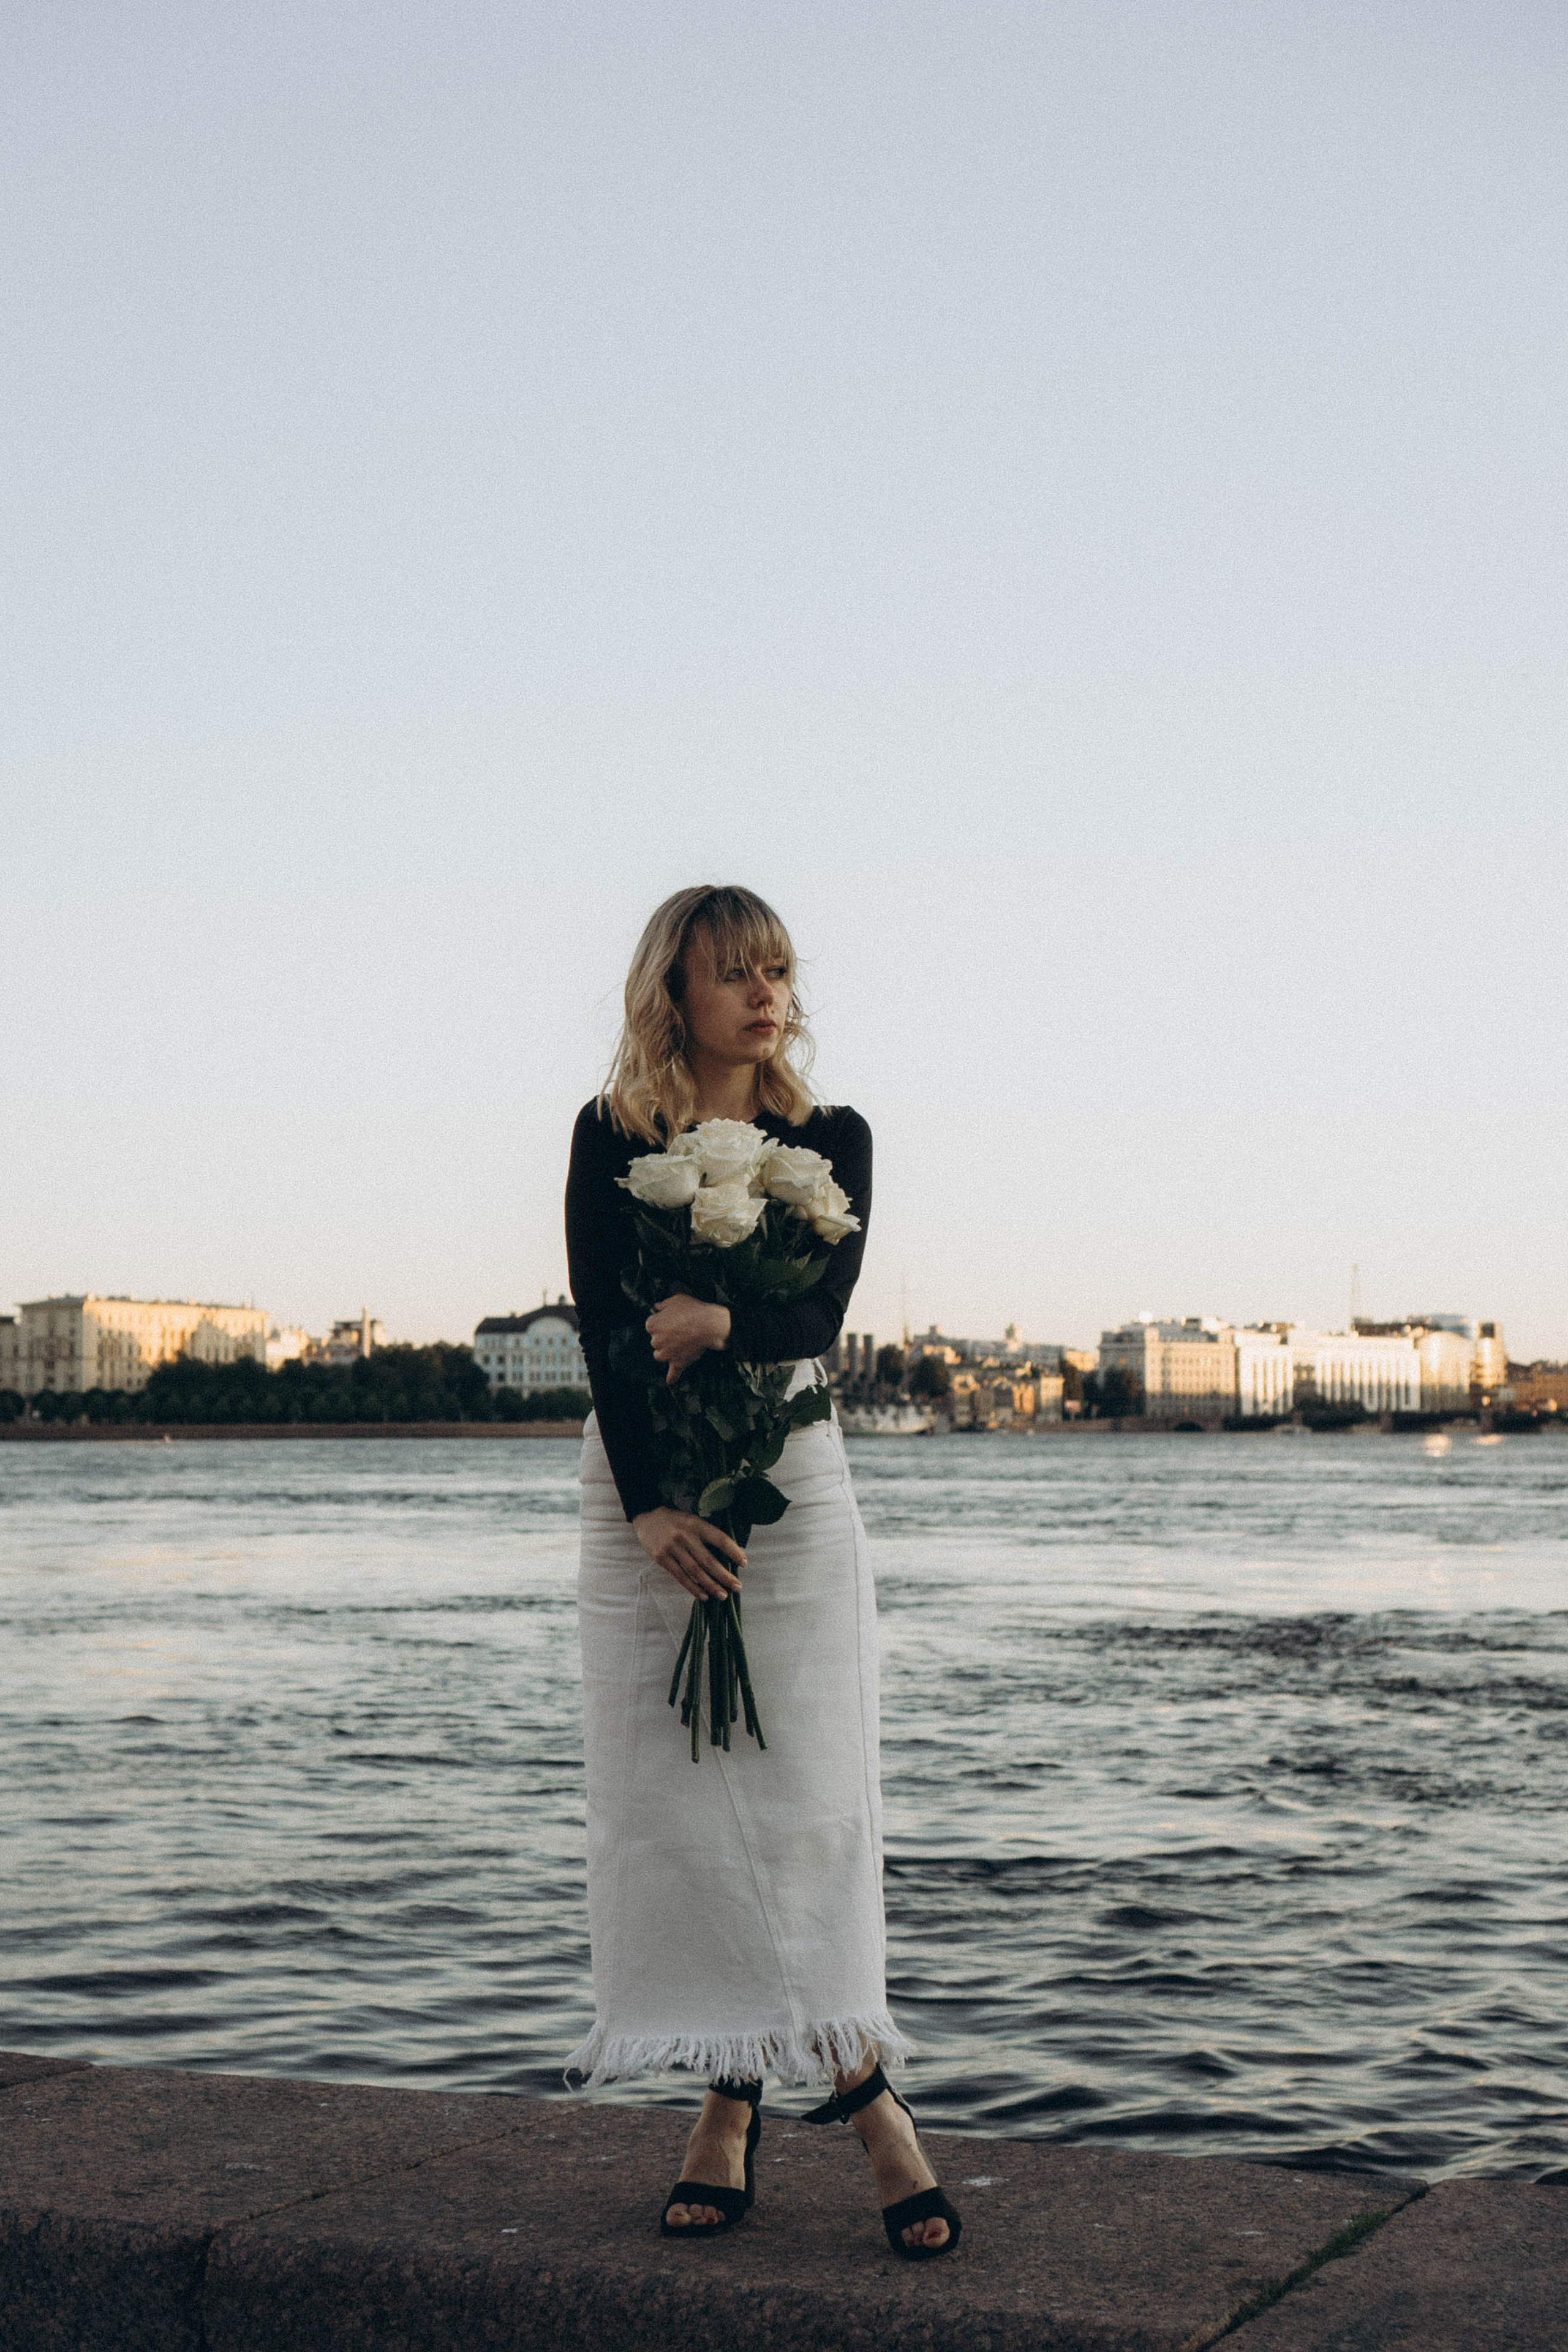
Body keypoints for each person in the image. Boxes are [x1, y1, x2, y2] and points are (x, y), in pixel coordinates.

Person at [564, 883, 961, 2260]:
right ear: (673, 992)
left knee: (806, 1800)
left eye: (777, 970)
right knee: (674, 1806)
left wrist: (727, 1314)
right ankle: (782, 2108)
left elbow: (820, 1313)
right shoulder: (611, 1136)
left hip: (792, 1485)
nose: (764, 993)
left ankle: (828, 2099)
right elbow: (611, 1342)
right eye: (734, 972)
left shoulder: (829, 1136)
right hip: (650, 1496)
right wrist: (642, 1518)